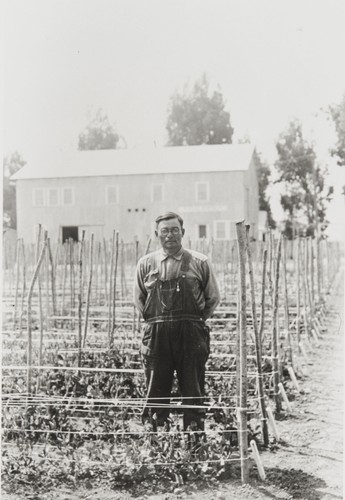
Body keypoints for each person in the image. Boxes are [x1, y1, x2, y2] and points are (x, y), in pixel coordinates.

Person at [134, 212, 220, 433]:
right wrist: (157, 324)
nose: (169, 235)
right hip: (157, 338)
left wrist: (194, 322)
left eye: (174, 230)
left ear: (182, 232)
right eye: (164, 230)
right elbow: (140, 301)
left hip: (190, 337)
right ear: (156, 234)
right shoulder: (146, 264)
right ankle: (158, 448)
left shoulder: (199, 262)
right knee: (156, 393)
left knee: (193, 392)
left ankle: (195, 448)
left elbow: (212, 299)